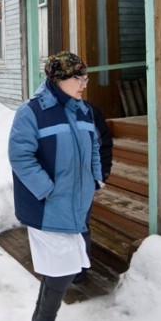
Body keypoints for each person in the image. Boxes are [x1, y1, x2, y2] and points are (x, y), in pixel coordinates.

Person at [8, 51, 101, 321]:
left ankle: (40, 318)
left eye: (85, 78)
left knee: (67, 264)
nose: (84, 84)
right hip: (47, 205)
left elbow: (95, 145)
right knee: (62, 268)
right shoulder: (32, 112)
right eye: (79, 78)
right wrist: (46, 189)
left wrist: (95, 178)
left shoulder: (83, 110)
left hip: (75, 201)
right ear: (58, 80)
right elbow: (20, 155)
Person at [73, 102, 112, 284]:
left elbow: (103, 143)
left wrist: (101, 173)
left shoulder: (89, 111)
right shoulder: (41, 111)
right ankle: (58, 268)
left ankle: (78, 269)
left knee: (80, 224)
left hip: (83, 179)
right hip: (54, 181)